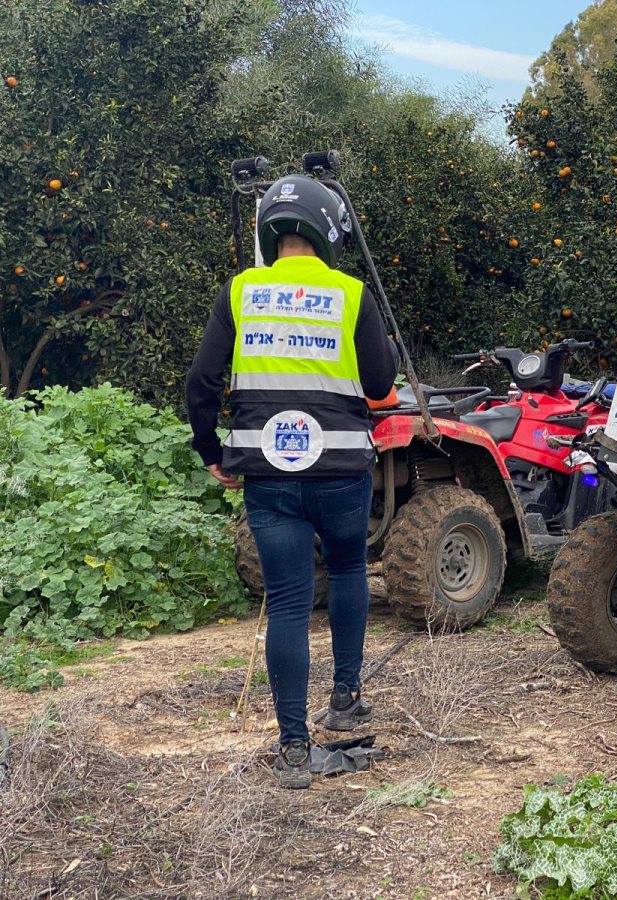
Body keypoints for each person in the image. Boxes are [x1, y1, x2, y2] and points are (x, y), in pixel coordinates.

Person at [186, 175, 400, 789]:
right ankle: (345, 697)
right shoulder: (351, 293)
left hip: (266, 472)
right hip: (337, 467)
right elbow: (382, 384)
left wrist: (212, 450)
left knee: (286, 601)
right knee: (350, 568)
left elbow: (201, 383)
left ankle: (293, 747)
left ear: (271, 230)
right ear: (328, 231)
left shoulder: (240, 291)